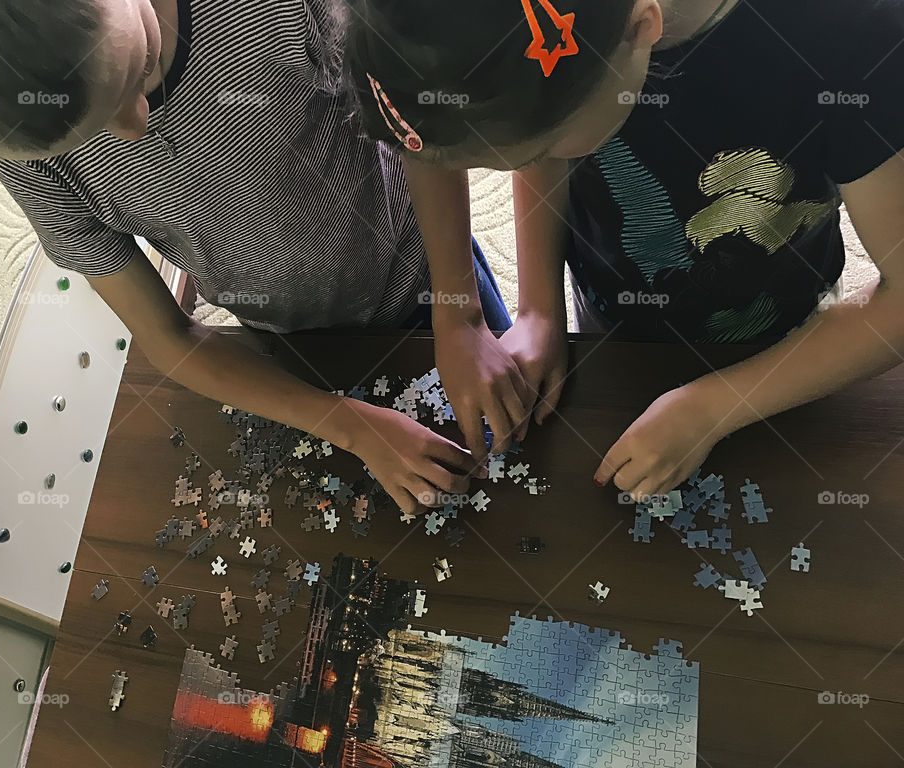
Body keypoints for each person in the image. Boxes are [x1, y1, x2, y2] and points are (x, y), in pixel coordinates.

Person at [0, 0, 534, 513]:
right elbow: (171, 339)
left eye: (138, 74)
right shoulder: (25, 149)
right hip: (288, 344)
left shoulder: (277, 15)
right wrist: (350, 426)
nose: (136, 126)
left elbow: (415, 126)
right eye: (90, 134)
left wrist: (460, 318)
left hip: (429, 275)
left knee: (527, 457)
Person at [342, 0, 904, 500]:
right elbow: (539, 117)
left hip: (791, 337)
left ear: (642, 27)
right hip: (612, 305)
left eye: (539, 148)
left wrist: (711, 409)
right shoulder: (542, 41)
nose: (529, 166)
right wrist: (539, 306)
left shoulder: (856, 35)